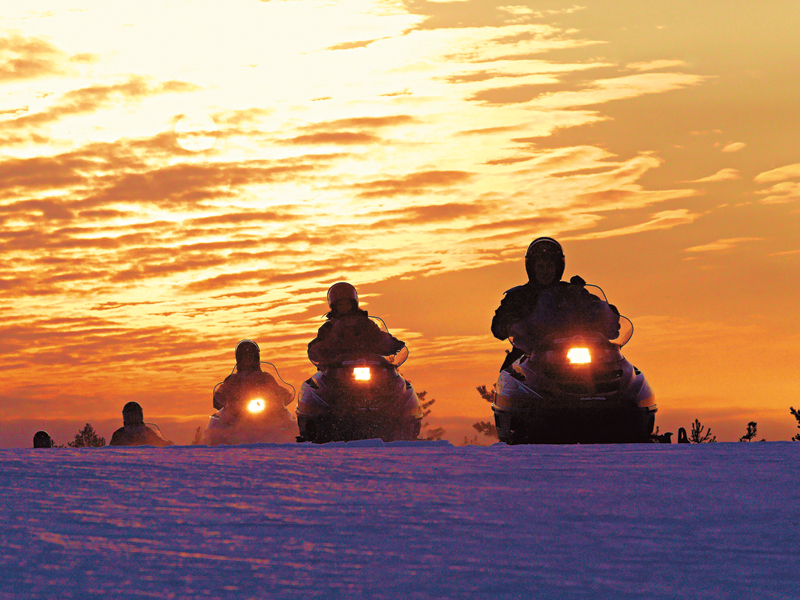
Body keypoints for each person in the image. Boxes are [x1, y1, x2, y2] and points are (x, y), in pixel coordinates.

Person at [491, 237, 620, 370]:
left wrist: (606, 312)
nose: (545, 271)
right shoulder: (518, 296)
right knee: (510, 375)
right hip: (530, 357)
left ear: (558, 268)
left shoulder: (572, 292)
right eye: (540, 267)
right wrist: (508, 323)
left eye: (550, 267)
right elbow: (497, 326)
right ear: (532, 268)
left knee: (620, 371)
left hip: (574, 354)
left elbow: (603, 313)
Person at [307, 282, 405, 365]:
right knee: (317, 383)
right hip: (337, 371)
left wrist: (392, 344)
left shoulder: (366, 324)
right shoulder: (328, 328)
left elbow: (378, 336)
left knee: (395, 380)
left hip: (369, 365)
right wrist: (325, 346)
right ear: (334, 306)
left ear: (353, 304)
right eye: (340, 304)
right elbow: (316, 348)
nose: (344, 306)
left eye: (347, 303)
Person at [213, 340, 294, 410]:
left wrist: (283, 394)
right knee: (216, 423)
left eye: (250, 355)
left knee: (287, 422)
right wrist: (219, 398)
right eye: (244, 356)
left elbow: (277, 389)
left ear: (256, 357)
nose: (248, 358)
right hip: (235, 418)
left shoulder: (265, 377)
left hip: (266, 416)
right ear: (239, 358)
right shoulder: (232, 379)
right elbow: (220, 395)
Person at [109, 402, 174, 447]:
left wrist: (166, 444)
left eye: (135, 414)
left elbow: (157, 442)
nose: (133, 417)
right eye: (130, 415)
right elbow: (111, 450)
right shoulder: (119, 433)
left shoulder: (148, 431)